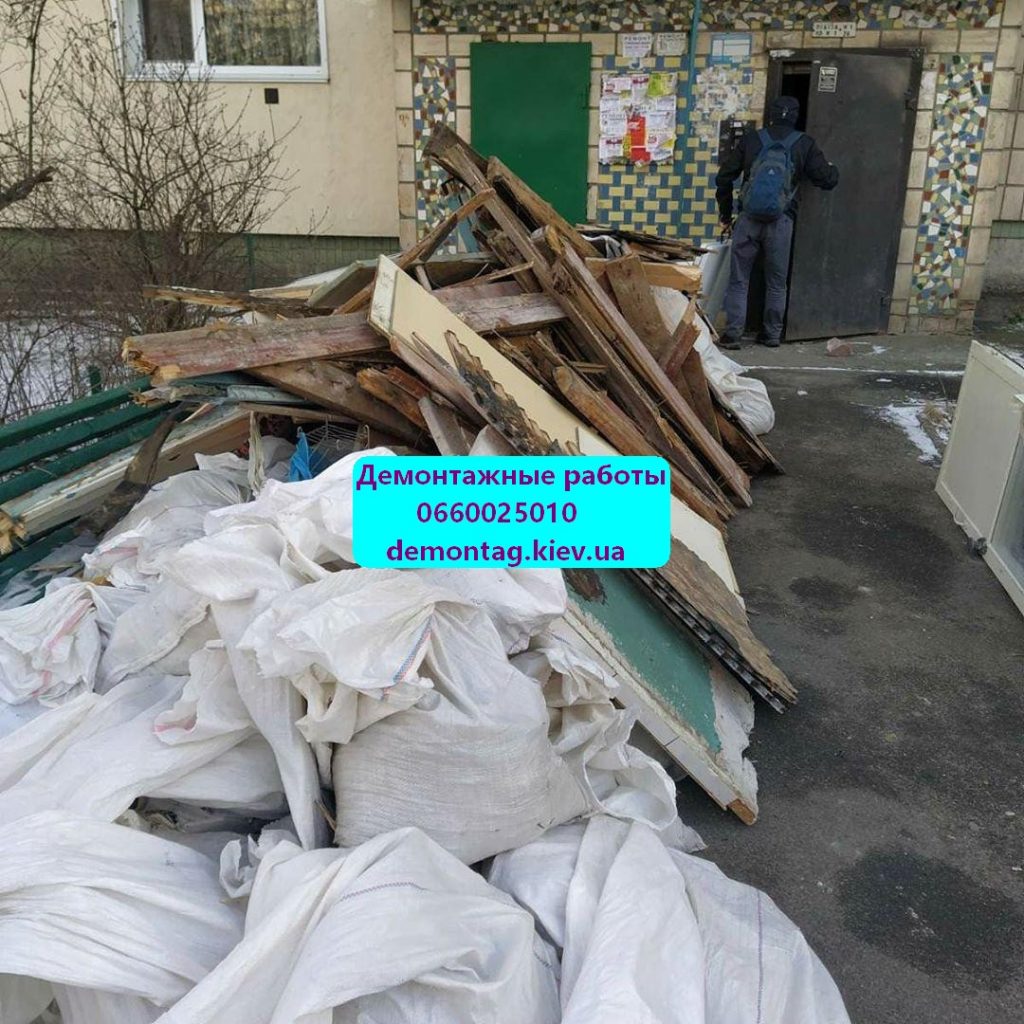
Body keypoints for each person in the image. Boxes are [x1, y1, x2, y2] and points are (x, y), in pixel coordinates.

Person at [714, 96, 839, 349]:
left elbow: (724, 177)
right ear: (795, 116)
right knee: (776, 282)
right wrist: (832, 168)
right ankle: (771, 334)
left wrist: (726, 215)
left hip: (748, 220)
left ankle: (733, 334)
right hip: (781, 222)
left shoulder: (752, 139)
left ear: (771, 115)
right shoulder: (804, 143)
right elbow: (827, 180)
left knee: (739, 280)